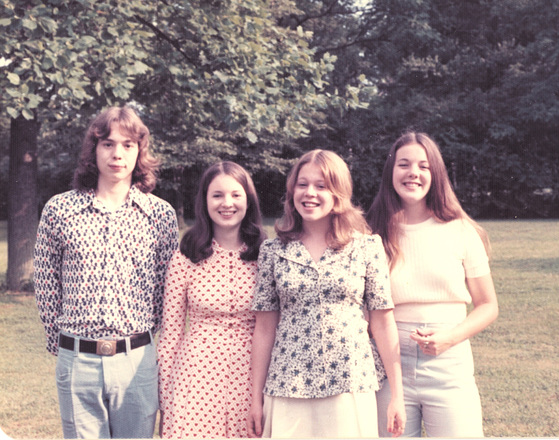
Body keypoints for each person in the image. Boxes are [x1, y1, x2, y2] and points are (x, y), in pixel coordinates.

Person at [33, 106, 179, 439]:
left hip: (136, 361)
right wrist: (65, 347)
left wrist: (139, 340)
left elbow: (164, 293)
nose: (118, 154)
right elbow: (46, 285)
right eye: (108, 144)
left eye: (128, 145)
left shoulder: (160, 216)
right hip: (77, 359)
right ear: (94, 150)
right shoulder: (60, 210)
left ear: (139, 151)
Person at [247, 149, 406, 438]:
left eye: (321, 186)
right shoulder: (272, 251)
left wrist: (397, 395)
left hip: (349, 382)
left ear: (338, 193)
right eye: (302, 184)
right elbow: (264, 329)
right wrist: (255, 397)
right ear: (292, 190)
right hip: (287, 385)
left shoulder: (367, 247)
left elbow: (383, 323)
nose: (310, 193)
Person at [367, 131, 499, 438]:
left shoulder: (461, 231)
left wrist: (450, 338)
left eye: (423, 166)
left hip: (449, 363)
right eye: (404, 164)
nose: (413, 172)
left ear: (435, 174)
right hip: (388, 366)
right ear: (391, 171)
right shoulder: (370, 232)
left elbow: (488, 305)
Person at [157, 161, 267, 438]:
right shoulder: (186, 256)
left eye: (235, 195)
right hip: (195, 378)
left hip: (252, 377)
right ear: (205, 200)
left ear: (248, 200)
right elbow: (170, 335)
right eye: (217, 195)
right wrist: (165, 400)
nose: (226, 203)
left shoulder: (266, 256)